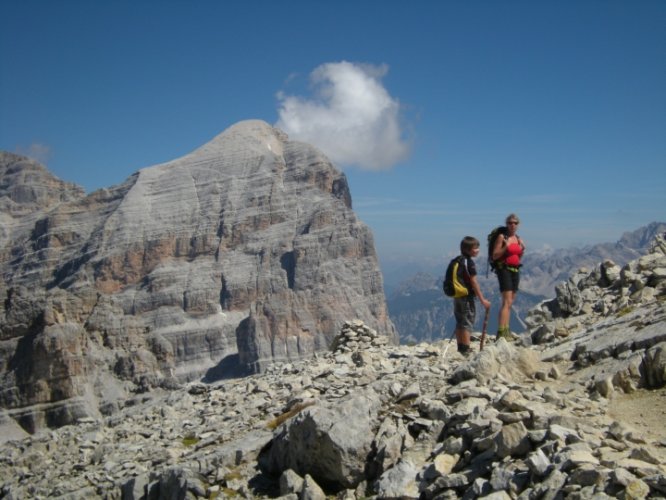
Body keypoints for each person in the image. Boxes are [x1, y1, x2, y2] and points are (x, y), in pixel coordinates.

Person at [454, 236, 491, 354]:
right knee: (467, 321)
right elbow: (473, 282)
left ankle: (460, 347)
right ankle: (466, 348)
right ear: (468, 250)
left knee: (460, 320)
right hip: (466, 296)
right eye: (476, 248)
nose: (478, 250)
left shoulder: (458, 260)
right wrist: (482, 299)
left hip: (457, 295)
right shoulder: (469, 263)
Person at [492, 213, 525, 341]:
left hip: (515, 269)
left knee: (510, 302)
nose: (512, 225)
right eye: (510, 222)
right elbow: (495, 255)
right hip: (504, 269)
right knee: (506, 302)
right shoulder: (502, 237)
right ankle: (501, 332)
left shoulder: (517, 238)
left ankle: (507, 329)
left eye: (515, 223)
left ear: (518, 225)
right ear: (506, 224)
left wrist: (522, 248)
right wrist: (505, 246)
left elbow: (517, 257)